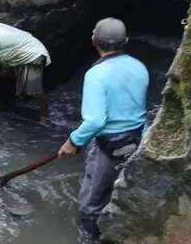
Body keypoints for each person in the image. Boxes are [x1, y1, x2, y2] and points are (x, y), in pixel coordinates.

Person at [57, 18, 149, 239]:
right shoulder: (140, 67)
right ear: (125, 41)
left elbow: (95, 121)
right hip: (137, 139)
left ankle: (92, 237)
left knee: (90, 205)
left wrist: (73, 141)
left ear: (93, 40)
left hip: (110, 145)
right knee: (119, 189)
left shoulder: (96, 74)